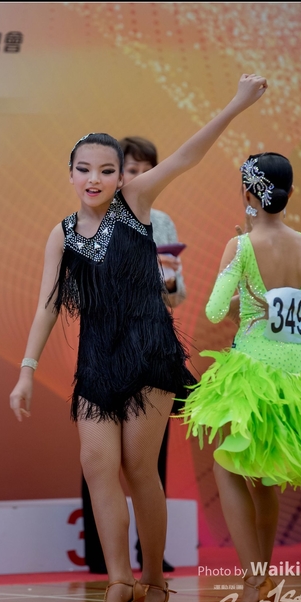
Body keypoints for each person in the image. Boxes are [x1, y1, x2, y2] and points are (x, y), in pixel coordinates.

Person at [9, 73, 268, 602]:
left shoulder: (136, 200)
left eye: (108, 169)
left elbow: (187, 155)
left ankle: (154, 579)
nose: (96, 178)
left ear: (121, 174)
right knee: (97, 464)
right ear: (71, 173)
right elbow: (48, 306)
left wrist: (236, 104)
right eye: (85, 169)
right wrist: (27, 370)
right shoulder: (62, 233)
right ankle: (119, 580)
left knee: (138, 467)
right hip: (97, 361)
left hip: (149, 352)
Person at [179, 152, 301, 602]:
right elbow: (295, 305)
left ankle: (254, 580)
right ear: (289, 192)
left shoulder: (241, 245)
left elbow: (213, 311)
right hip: (295, 370)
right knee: (264, 478)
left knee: (227, 467)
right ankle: (259, 584)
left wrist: (238, 277)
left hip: (253, 369)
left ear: (248, 193)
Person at [81, 135, 187, 575]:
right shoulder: (90, 219)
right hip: (105, 348)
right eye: (130, 168)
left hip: (149, 345)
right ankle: (102, 558)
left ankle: (150, 559)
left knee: (147, 461)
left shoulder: (161, 222)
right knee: (98, 457)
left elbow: (176, 296)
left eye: (147, 169)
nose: (137, 176)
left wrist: (168, 279)